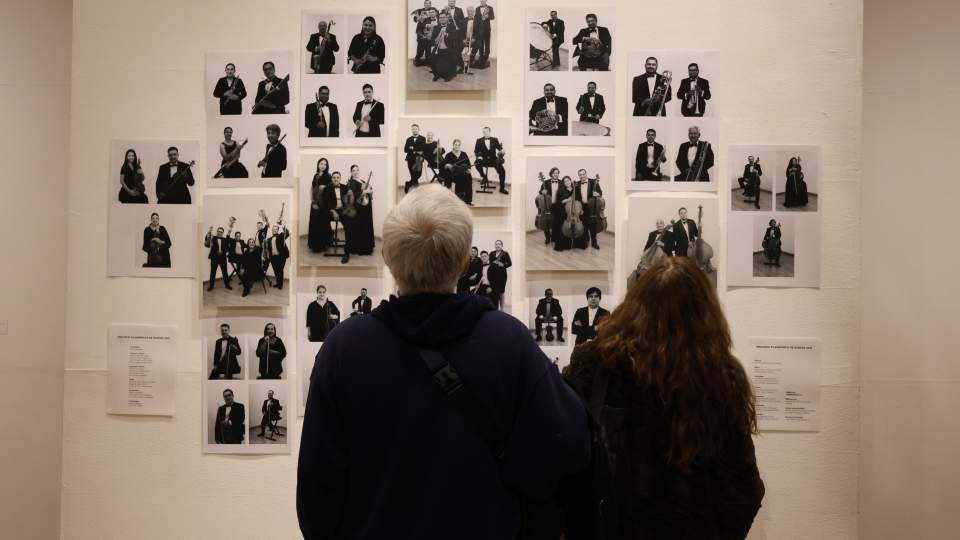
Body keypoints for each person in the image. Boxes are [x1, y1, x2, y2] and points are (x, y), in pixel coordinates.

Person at [298, 183, 591, 540]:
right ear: (467, 262)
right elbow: (568, 446)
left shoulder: (345, 347)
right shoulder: (508, 340)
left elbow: (317, 489)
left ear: (388, 259)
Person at [562, 257, 764, 538]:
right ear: (705, 315)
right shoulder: (720, 378)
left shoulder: (593, 365)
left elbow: (562, 460)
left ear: (634, 304)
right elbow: (743, 490)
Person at [345, 164, 376, 260]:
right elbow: (353, 195)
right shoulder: (350, 182)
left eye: (357, 170)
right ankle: (361, 248)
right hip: (358, 208)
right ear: (351, 172)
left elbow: (369, 192)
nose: (356, 172)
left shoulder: (363, 181)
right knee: (360, 225)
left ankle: (367, 246)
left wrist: (370, 191)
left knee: (366, 225)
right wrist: (366, 191)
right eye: (353, 170)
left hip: (366, 207)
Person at [473, 126, 507, 194]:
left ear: (489, 132)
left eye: (487, 131)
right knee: (476, 163)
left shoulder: (495, 139)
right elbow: (476, 151)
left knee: (502, 171)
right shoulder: (479, 140)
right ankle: (484, 177)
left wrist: (502, 151)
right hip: (484, 160)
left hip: (493, 160)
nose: (485, 133)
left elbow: (500, 148)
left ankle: (502, 188)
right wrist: (479, 156)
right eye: (484, 132)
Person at [428, 11, 460, 82]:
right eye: (440, 18)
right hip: (438, 49)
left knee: (448, 62)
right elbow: (432, 40)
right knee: (430, 59)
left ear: (447, 18)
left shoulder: (452, 27)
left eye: (443, 17)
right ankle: (436, 75)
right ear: (438, 19)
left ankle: (449, 76)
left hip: (448, 50)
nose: (442, 19)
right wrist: (436, 39)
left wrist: (447, 35)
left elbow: (455, 37)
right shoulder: (436, 28)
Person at [308, 158, 333, 253]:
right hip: (315, 201)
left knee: (322, 223)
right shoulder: (315, 175)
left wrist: (325, 187)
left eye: (325, 164)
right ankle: (314, 244)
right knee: (314, 222)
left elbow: (331, 189)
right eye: (321, 163)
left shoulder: (328, 176)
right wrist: (312, 200)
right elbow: (312, 188)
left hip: (323, 203)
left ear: (327, 166)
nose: (322, 166)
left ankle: (323, 244)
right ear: (318, 164)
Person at [575, 168, 603, 249]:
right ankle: (586, 240)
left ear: (586, 174)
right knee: (583, 224)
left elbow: (600, 192)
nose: (582, 176)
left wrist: (597, 194)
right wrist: (579, 208)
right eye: (580, 175)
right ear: (579, 176)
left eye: (583, 174)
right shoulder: (577, 184)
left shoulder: (594, 181)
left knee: (592, 225)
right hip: (582, 206)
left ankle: (594, 242)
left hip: (592, 207)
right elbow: (576, 197)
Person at [441, 139, 473, 205]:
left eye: (458, 145)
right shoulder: (448, 155)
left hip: (462, 173)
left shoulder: (464, 154)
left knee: (468, 177)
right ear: (453, 145)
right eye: (456, 145)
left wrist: (468, 170)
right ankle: (459, 199)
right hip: (452, 174)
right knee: (461, 178)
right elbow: (444, 165)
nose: (457, 146)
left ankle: (468, 200)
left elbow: (468, 165)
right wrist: (447, 165)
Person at [551, 175, 575, 251]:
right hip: (562, 211)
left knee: (570, 227)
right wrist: (568, 199)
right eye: (565, 181)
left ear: (571, 181)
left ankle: (569, 244)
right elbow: (560, 201)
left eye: (568, 180)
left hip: (572, 211)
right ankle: (560, 245)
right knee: (561, 227)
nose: (567, 182)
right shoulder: (561, 190)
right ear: (563, 183)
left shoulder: (575, 189)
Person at [204, 226, 232, 291]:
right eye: (218, 231)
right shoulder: (213, 238)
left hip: (222, 258)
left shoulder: (224, 239)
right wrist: (209, 232)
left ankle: (227, 285)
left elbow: (227, 248)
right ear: (217, 231)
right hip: (214, 258)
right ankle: (211, 286)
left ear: (223, 233)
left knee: (225, 272)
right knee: (213, 272)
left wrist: (223, 251)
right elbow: (207, 244)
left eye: (221, 232)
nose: (219, 233)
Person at [468, 0, 494, 68]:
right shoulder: (477, 8)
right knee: (481, 44)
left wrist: (487, 16)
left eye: (483, 0)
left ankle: (486, 58)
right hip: (480, 30)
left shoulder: (490, 8)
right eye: (481, 0)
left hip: (487, 30)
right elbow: (476, 18)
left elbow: (492, 17)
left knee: (487, 44)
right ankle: (481, 57)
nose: (482, 1)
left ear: (486, 1)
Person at [264, 223, 289, 289]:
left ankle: (280, 285)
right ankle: (278, 283)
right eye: (273, 229)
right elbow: (268, 249)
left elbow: (287, 233)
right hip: (273, 257)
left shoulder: (281, 236)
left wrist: (282, 225)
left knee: (280, 270)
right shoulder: (269, 239)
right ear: (272, 230)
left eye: (276, 229)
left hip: (281, 257)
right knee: (276, 270)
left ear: (278, 230)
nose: (274, 230)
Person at [413, 1, 439, 65]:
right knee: (420, 47)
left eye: (429, 3)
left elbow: (438, 14)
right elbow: (415, 19)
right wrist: (418, 18)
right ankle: (417, 58)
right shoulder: (420, 10)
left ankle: (428, 60)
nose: (427, 5)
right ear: (424, 4)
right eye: (426, 3)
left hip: (429, 31)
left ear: (431, 4)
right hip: (420, 31)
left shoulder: (433, 9)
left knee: (428, 47)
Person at [487, 239, 511, 310]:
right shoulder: (491, 253)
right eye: (496, 244)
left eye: (499, 244)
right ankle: (495, 308)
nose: (497, 245)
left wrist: (503, 265)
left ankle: (502, 309)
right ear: (495, 245)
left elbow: (509, 263)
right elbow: (490, 263)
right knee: (494, 291)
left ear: (502, 245)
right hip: (493, 276)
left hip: (502, 276)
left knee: (501, 292)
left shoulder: (505, 253)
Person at [404, 124, 427, 193]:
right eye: (413, 129)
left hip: (419, 159)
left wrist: (412, 149)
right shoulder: (408, 139)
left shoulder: (423, 138)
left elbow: (423, 148)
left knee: (418, 174)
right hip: (410, 159)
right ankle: (416, 190)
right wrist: (415, 150)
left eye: (416, 129)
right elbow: (405, 149)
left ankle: (408, 184)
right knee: (413, 174)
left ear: (418, 129)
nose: (414, 130)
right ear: (411, 130)